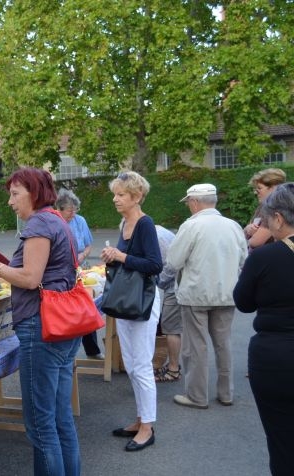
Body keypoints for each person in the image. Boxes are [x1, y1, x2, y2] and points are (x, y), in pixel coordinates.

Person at [0, 167, 80, 475]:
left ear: (34, 193)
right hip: (62, 327)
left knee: (41, 425)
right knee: (60, 419)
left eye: (15, 194)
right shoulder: (57, 220)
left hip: (42, 327)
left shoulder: (39, 224)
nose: (10, 201)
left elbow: (31, 279)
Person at [166, 183, 248, 409]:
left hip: (195, 294)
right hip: (227, 294)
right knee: (224, 344)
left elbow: (174, 261)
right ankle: (226, 393)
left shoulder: (191, 226)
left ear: (194, 202)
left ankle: (197, 395)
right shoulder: (233, 226)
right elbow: (243, 260)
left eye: (189, 203)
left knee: (196, 347)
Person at [233, 182, 294, 476]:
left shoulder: (264, 257)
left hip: (276, 358)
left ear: (279, 219)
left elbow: (243, 302)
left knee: (282, 440)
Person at [100, 171, 162, 452]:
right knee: (132, 363)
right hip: (128, 299)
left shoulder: (145, 224)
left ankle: (147, 427)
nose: (115, 199)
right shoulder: (125, 221)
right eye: (115, 194)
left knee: (141, 365)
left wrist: (121, 256)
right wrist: (112, 257)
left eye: (121, 194)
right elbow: (128, 262)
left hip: (143, 300)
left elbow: (154, 264)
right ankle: (140, 418)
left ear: (136, 197)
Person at [56, 189, 102, 360]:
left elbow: (88, 245)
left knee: (87, 307)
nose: (73, 213)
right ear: (59, 208)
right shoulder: (54, 221)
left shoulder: (80, 220)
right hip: (64, 272)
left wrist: (82, 255)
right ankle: (67, 353)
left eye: (75, 209)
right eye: (70, 210)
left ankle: (92, 350)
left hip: (82, 268)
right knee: (70, 312)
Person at [154, 225, 183, 383]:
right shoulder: (158, 232)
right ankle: (174, 366)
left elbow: (171, 265)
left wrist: (160, 282)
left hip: (175, 286)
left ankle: (173, 369)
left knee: (171, 328)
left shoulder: (157, 237)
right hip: (177, 284)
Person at [244, 168, 286, 250]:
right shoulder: (262, 206)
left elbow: (256, 242)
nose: (255, 192)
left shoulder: (275, 208)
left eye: (259, 188)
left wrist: (245, 236)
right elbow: (247, 230)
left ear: (273, 188)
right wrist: (247, 229)